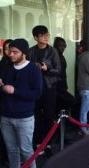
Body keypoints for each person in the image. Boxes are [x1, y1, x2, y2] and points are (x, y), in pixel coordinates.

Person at [0, 39, 43, 168]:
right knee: (11, 150)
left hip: (24, 118)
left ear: (24, 53)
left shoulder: (34, 70)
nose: (11, 54)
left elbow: (37, 94)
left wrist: (15, 91)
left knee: (26, 150)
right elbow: (1, 92)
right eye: (10, 51)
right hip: (6, 116)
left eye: (15, 52)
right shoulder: (6, 68)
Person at [27, 25, 61, 157]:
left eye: (47, 35)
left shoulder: (53, 51)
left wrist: (47, 69)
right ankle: (37, 143)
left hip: (49, 88)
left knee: (49, 116)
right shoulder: (30, 52)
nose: (46, 38)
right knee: (35, 117)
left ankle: (48, 144)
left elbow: (59, 71)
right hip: (34, 89)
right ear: (36, 38)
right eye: (42, 36)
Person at [0, 39, 13, 123]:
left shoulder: (21, 63)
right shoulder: (1, 65)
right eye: (6, 48)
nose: (8, 51)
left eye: (10, 48)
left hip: (21, 104)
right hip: (6, 102)